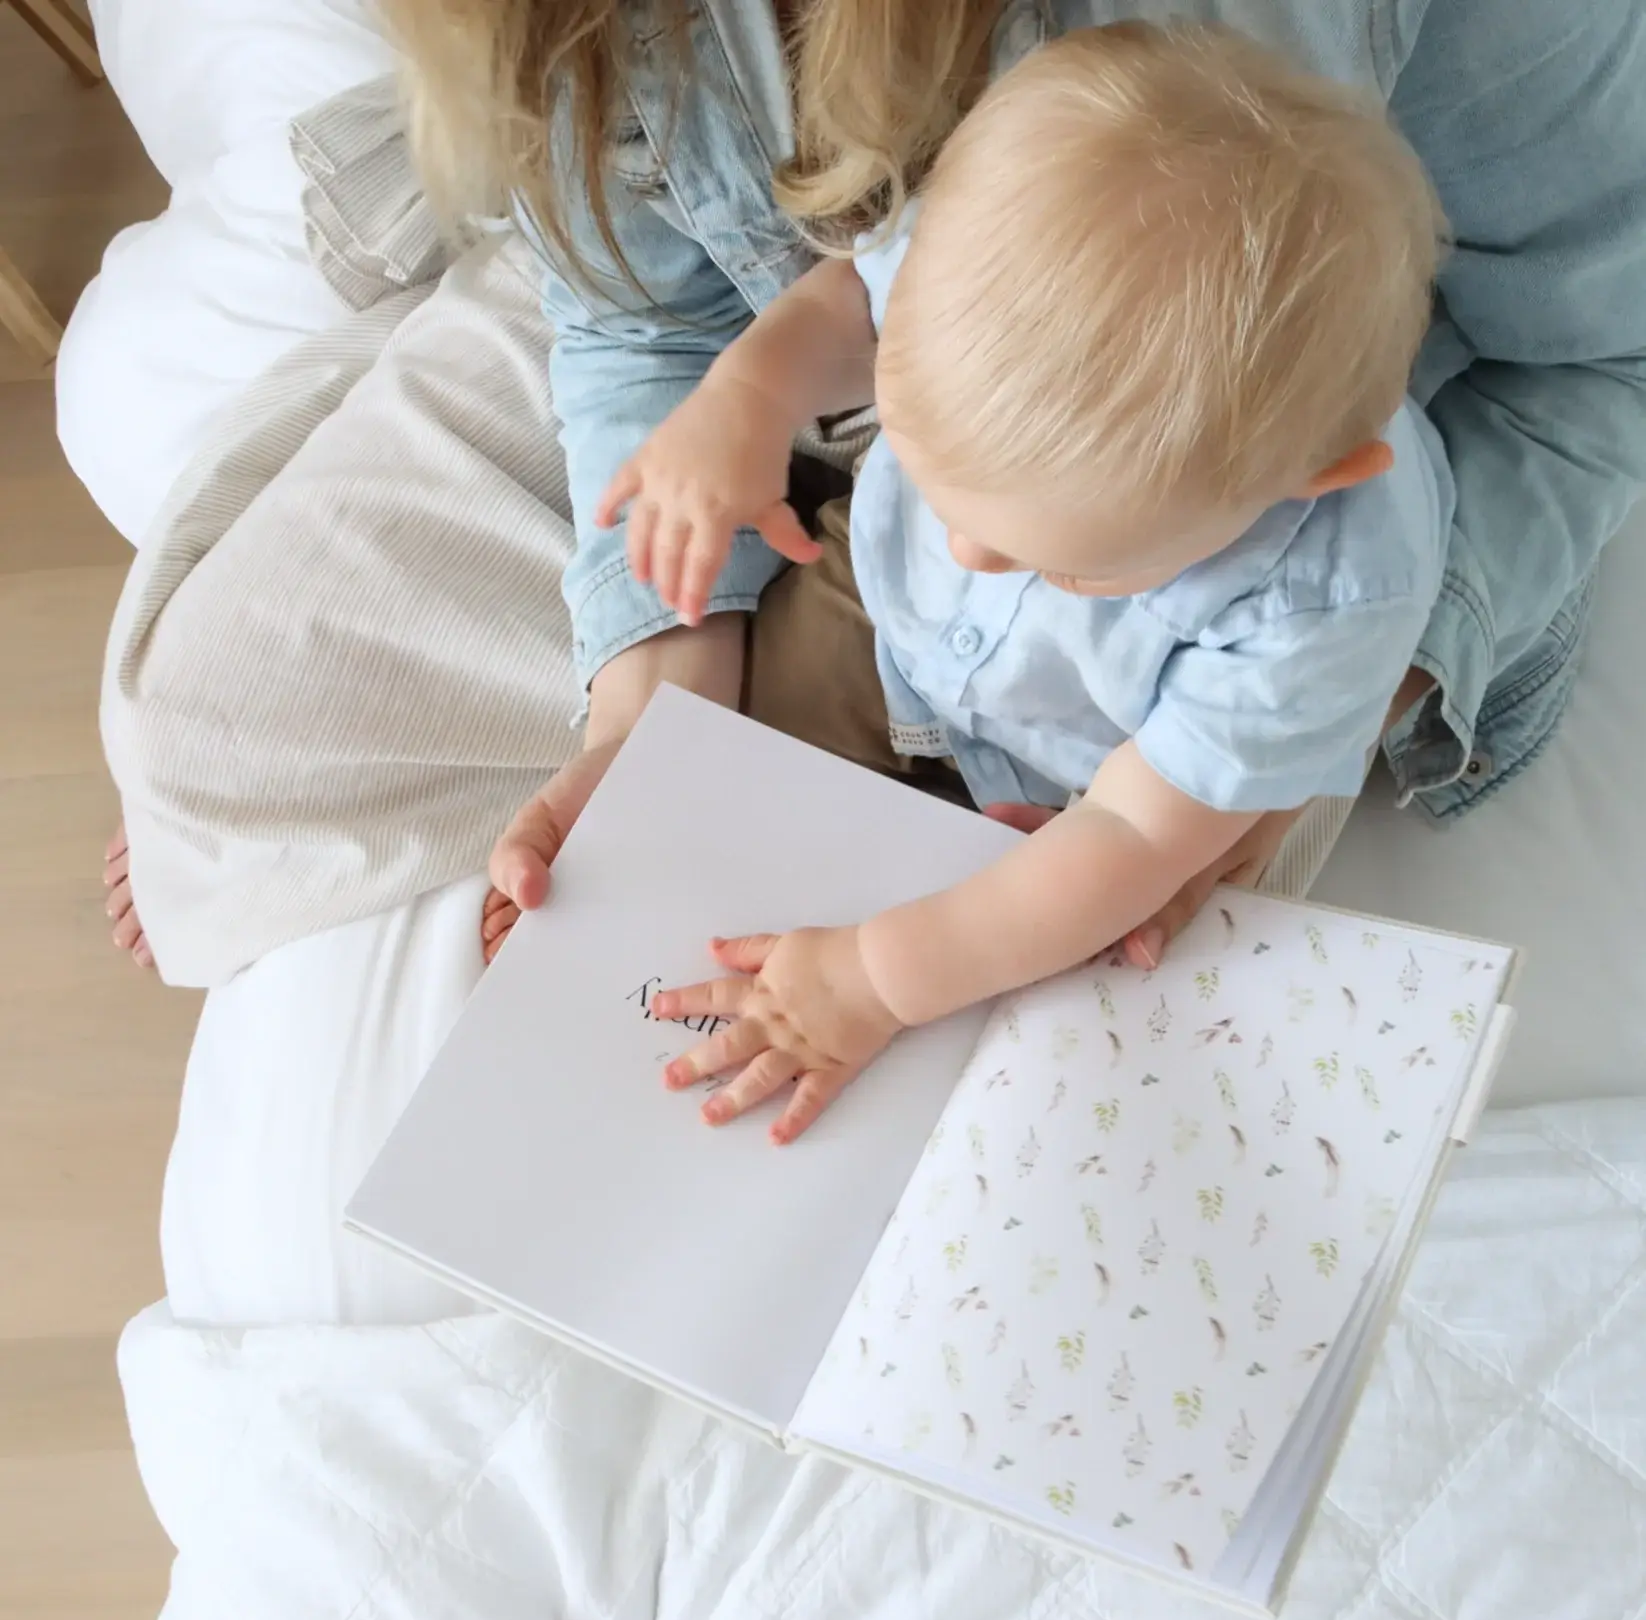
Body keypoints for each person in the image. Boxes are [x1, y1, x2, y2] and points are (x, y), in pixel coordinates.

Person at [102, 0, 1646, 971]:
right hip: (835, 418)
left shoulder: (1316, 555)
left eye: (1022, 546)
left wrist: (874, 981)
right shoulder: (893, 301)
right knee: (204, 751)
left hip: (1194, 506)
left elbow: (1599, 361)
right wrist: (658, 685)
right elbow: (690, 304)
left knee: (1104, 966)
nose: (972, 550)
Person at [602, 23, 1449, 1142]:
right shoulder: (976, 247)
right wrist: (747, 395)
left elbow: (1133, 841)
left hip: (1127, 762)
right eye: (942, 484)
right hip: (887, 616)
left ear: (1307, 482)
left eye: (1068, 561)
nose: (970, 558)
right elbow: (852, 302)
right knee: (718, 804)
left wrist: (876, 977)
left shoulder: (1326, 599)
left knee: (1129, 986)